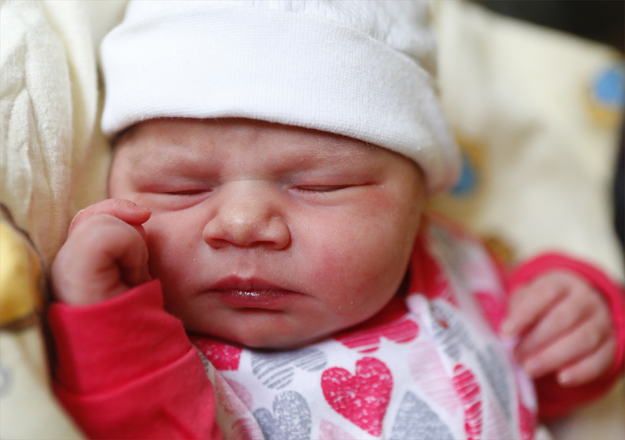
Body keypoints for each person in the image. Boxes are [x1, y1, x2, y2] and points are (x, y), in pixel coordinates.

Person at [48, 2, 624, 439]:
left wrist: (579, 316)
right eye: (182, 188)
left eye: (319, 186)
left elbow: (546, 380)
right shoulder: (155, 355)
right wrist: (106, 323)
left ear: (418, 202)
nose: (243, 224)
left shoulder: (453, 264)